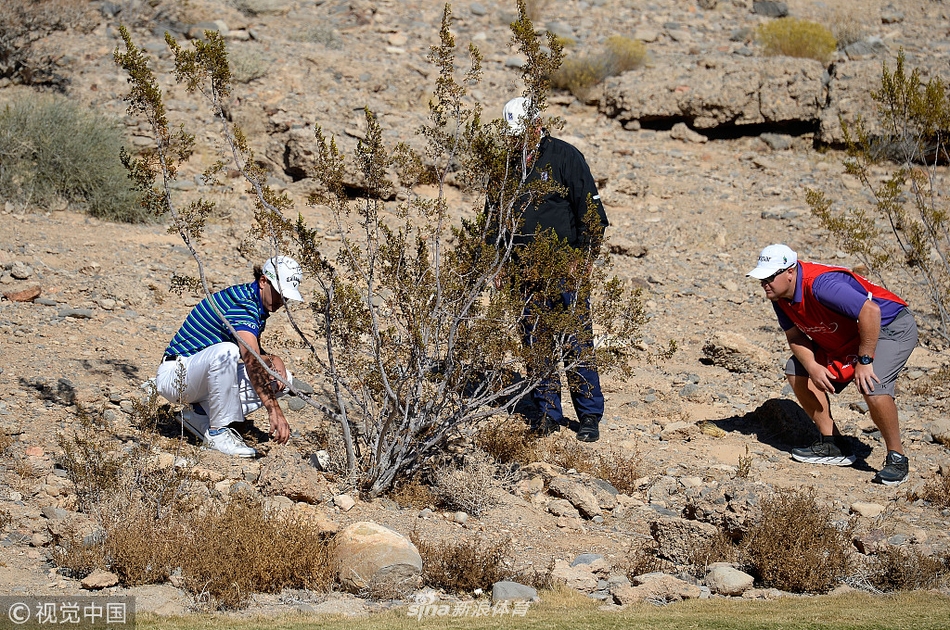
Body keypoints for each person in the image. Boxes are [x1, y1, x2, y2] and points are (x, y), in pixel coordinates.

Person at [747, 244, 918, 485]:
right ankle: (834, 445)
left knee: (872, 384)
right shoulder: (780, 297)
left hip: (890, 327)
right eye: (761, 277)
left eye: (770, 276)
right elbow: (795, 336)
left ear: (790, 271)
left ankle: (897, 458)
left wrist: (865, 360)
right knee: (797, 369)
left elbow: (871, 312)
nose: (765, 283)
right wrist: (813, 366)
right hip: (848, 336)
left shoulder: (821, 285)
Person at [493, 96, 610, 442]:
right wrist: (496, 261)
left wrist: (584, 260)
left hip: (565, 268)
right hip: (522, 271)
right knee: (535, 343)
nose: (518, 139)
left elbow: (592, 216)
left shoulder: (565, 157)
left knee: (576, 342)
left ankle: (588, 415)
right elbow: (493, 220)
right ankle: (547, 413)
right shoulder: (505, 166)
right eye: (513, 134)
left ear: (537, 124)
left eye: (523, 131)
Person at [154, 256, 303, 457]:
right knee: (227, 352)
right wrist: (273, 409)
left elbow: (255, 353)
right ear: (263, 281)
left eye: (286, 297)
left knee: (283, 378)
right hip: (176, 376)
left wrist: (276, 361)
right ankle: (217, 432)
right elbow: (251, 360)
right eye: (279, 293)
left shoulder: (253, 304)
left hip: (197, 377)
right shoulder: (243, 304)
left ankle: (199, 416)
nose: (281, 302)